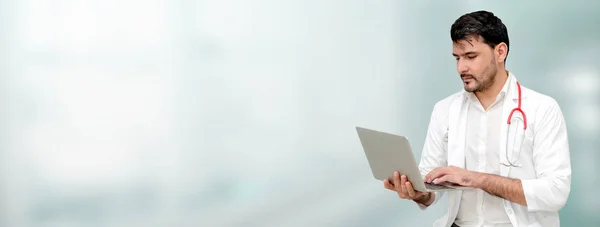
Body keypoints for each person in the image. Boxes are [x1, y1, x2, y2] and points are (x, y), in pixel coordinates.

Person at [383, 10, 572, 227]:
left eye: (471, 56)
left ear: (500, 52)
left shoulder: (542, 109)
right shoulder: (444, 110)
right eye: (457, 58)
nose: (461, 67)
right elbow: (431, 186)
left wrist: (474, 178)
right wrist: (417, 193)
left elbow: (555, 193)